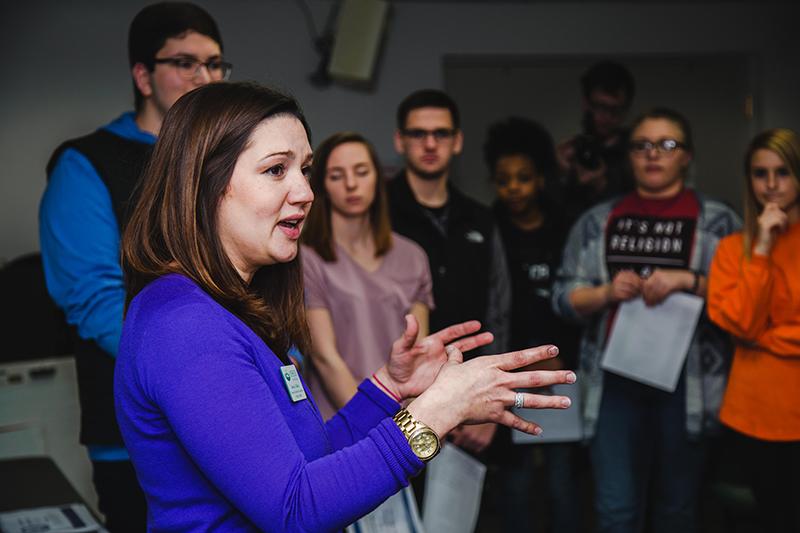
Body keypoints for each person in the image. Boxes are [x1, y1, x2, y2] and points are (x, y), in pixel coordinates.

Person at [113, 81, 576, 532]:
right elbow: (296, 510)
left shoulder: (225, 308)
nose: (306, 192)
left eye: (305, 170)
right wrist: (437, 412)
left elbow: (311, 461)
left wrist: (389, 390)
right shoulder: (184, 323)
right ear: (204, 184)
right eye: (277, 170)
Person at [38, 3, 228, 529]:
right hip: (139, 437)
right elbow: (96, 303)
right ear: (143, 75)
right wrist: (212, 376)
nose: (205, 77)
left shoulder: (225, 160)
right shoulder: (87, 163)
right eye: (185, 62)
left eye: (214, 64)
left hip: (233, 422)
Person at [552, 108, 740, 533]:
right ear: (629, 156)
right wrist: (604, 293)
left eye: (668, 144)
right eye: (642, 145)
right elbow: (563, 298)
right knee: (615, 509)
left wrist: (689, 280)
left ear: (687, 156)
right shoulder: (597, 221)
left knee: (677, 510)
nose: (654, 154)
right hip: (613, 383)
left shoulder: (718, 221)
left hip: (688, 387)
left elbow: (745, 301)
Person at [388, 88, 511, 455]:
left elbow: (499, 314)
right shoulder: (376, 216)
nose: (430, 143)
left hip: (476, 402)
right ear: (400, 141)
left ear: (457, 142)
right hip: (398, 403)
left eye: (441, 133)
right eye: (418, 134)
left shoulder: (482, 218)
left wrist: (495, 404)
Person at [483, 116, 583, 533]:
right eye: (504, 179)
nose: (513, 188)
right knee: (517, 484)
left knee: (564, 486)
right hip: (511, 372)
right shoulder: (489, 228)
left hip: (565, 373)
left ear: (541, 179)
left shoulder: (566, 226)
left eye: (523, 178)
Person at [301, 132, 434, 420]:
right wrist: (372, 423)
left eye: (361, 172)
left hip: (404, 420)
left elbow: (418, 352)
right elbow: (324, 357)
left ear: (378, 177)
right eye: (337, 175)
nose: (351, 184)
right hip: (339, 421)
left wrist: (406, 423)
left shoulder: (412, 256)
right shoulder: (307, 258)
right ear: (322, 184)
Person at [707, 128, 800, 533]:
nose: (772, 185)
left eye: (783, 172)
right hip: (750, 416)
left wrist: (764, 338)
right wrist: (760, 247)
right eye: (761, 173)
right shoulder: (732, 249)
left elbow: (747, 332)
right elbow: (742, 324)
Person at [556, 61, 636, 224]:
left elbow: (638, 214)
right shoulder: (574, 151)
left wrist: (601, 186)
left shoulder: (638, 153)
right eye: (599, 107)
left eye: (614, 110)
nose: (606, 117)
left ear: (626, 110)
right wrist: (561, 175)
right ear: (586, 104)